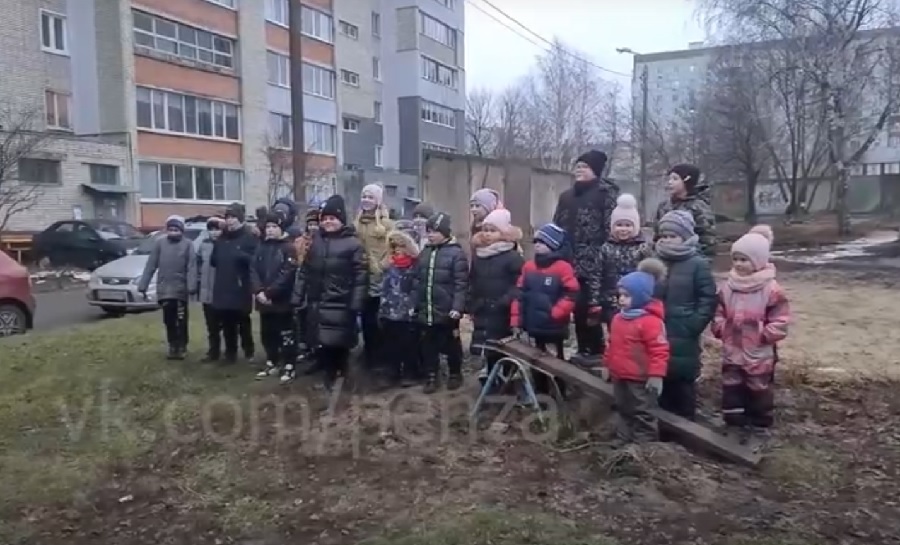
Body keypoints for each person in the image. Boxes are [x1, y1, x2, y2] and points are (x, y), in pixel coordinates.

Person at [711, 227, 790, 442]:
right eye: (735, 259)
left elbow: (781, 318)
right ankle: (734, 421)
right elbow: (719, 311)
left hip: (758, 350)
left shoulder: (771, 289)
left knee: (758, 386)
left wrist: (766, 335)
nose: (738, 264)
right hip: (732, 346)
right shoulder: (728, 287)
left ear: (757, 261)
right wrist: (719, 327)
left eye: (744, 260)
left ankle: (759, 422)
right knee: (732, 383)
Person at [292, 194, 368, 390]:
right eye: (324, 219)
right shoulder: (316, 242)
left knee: (339, 344)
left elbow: (361, 276)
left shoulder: (353, 244)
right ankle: (329, 375)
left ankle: (343, 376)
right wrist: (298, 295)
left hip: (341, 302)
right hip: (318, 301)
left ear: (341, 220)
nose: (328, 222)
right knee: (321, 342)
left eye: (332, 218)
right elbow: (305, 270)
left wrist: (356, 303)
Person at [552, 150, 619, 368]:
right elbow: (557, 226)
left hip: (596, 262)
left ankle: (598, 350)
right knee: (577, 306)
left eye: (585, 167)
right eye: (577, 166)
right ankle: (583, 349)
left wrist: (605, 257)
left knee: (595, 307)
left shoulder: (606, 194)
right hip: (569, 261)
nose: (579, 170)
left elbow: (612, 229)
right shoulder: (567, 196)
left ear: (596, 171)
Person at [654, 210, 717, 422]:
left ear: (685, 235)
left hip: (685, 333)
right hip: (658, 330)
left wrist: (693, 325)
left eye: (672, 236)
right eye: (664, 236)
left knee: (683, 381)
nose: (667, 240)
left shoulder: (697, 264)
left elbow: (707, 298)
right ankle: (664, 428)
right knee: (661, 378)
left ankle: (687, 426)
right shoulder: (655, 262)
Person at [600, 258, 670, 444]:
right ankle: (623, 437)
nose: (621, 299)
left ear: (641, 296)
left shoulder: (650, 322)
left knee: (643, 411)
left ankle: (644, 444)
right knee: (622, 407)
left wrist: (656, 375)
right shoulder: (618, 319)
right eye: (620, 295)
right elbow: (611, 343)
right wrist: (607, 365)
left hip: (640, 378)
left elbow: (659, 350)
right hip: (619, 374)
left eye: (627, 296)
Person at [510, 222, 579, 396]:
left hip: (553, 327)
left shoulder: (563, 267)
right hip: (533, 324)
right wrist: (516, 319)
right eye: (536, 242)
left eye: (543, 242)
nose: (538, 245)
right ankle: (541, 393)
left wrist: (556, 313)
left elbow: (571, 293)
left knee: (555, 361)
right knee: (535, 360)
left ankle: (559, 393)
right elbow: (519, 294)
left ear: (553, 245)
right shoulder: (529, 267)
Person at [468, 208, 524, 387]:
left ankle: (508, 373)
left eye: (493, 230)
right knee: (487, 343)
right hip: (482, 307)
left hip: (502, 309)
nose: (487, 234)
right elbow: (473, 280)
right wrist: (472, 302)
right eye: (485, 229)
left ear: (503, 233)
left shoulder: (512, 256)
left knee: (503, 344)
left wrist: (506, 300)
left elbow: (519, 283)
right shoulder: (479, 256)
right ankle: (491, 374)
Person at [415, 212, 468, 393]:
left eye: (435, 231)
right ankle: (431, 375)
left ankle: (455, 373)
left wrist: (457, 307)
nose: (430, 235)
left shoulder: (456, 254)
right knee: (427, 344)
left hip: (447, 311)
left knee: (451, 343)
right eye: (428, 231)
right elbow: (417, 280)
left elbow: (461, 284)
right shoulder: (425, 253)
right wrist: (415, 304)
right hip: (427, 308)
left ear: (445, 233)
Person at [137, 215, 197, 360]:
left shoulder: (188, 245)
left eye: (176, 229)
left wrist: (191, 286)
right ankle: (172, 345)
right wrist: (143, 285)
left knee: (181, 319)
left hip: (180, 289)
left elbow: (191, 267)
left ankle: (182, 345)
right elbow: (151, 265)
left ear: (182, 231)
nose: (173, 232)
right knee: (169, 319)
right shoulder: (160, 244)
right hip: (165, 289)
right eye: (170, 229)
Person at [251, 212, 299, 383]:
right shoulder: (261, 247)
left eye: (274, 227)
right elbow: (253, 270)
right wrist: (259, 291)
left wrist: (270, 293)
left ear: (281, 229)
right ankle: (272, 361)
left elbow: (287, 273)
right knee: (268, 333)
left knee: (286, 333)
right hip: (263, 301)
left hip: (282, 301)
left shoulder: (288, 248)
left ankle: (289, 365)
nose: (270, 230)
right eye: (268, 227)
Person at [211, 203, 258, 364]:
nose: (230, 221)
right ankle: (230, 353)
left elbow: (256, 260)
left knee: (243, 321)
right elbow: (214, 260)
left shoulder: (249, 237)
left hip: (240, 286)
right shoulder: (222, 238)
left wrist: (242, 255)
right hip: (223, 285)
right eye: (228, 217)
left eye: (234, 218)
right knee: (227, 322)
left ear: (241, 219)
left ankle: (248, 350)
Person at [355, 184, 395, 371]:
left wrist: (383, 265)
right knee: (366, 317)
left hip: (381, 275)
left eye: (371, 197)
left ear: (378, 201)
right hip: (362, 276)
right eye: (364, 196)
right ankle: (369, 353)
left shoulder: (386, 224)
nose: (366, 200)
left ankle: (383, 355)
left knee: (380, 317)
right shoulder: (357, 222)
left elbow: (394, 247)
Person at [599, 194, 654, 328]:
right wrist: (597, 299)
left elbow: (649, 275)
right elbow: (598, 274)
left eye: (628, 225)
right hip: (611, 300)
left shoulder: (643, 248)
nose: (623, 229)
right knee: (615, 331)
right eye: (619, 225)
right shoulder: (606, 247)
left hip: (637, 301)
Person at [378, 229, 421, 387]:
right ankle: (392, 372)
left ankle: (411, 372)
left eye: (401, 246)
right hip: (390, 310)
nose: (397, 250)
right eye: (394, 246)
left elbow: (417, 288)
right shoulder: (388, 265)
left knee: (409, 343)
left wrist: (412, 305)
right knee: (391, 343)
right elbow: (384, 288)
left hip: (407, 311)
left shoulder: (415, 266)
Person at [654, 164, 717, 258]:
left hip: (690, 259)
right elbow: (656, 235)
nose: (670, 182)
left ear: (687, 181)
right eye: (669, 179)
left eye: (675, 179)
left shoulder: (698, 207)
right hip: (664, 260)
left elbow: (707, 239)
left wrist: (700, 263)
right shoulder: (663, 206)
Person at [197, 216, 224, 362]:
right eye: (211, 229)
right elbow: (197, 263)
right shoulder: (203, 245)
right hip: (206, 291)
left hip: (221, 290)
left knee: (226, 324)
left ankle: (230, 351)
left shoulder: (225, 244)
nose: (214, 232)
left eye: (217, 229)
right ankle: (213, 351)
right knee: (211, 326)